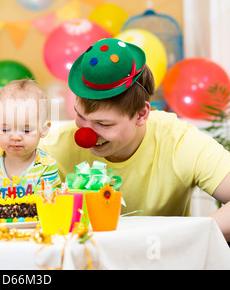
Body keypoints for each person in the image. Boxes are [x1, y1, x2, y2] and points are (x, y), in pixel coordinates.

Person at [39, 38, 230, 241]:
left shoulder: (178, 141)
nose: (86, 135)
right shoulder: (54, 148)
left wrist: (185, 237)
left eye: (104, 124)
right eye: (80, 116)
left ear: (141, 115)